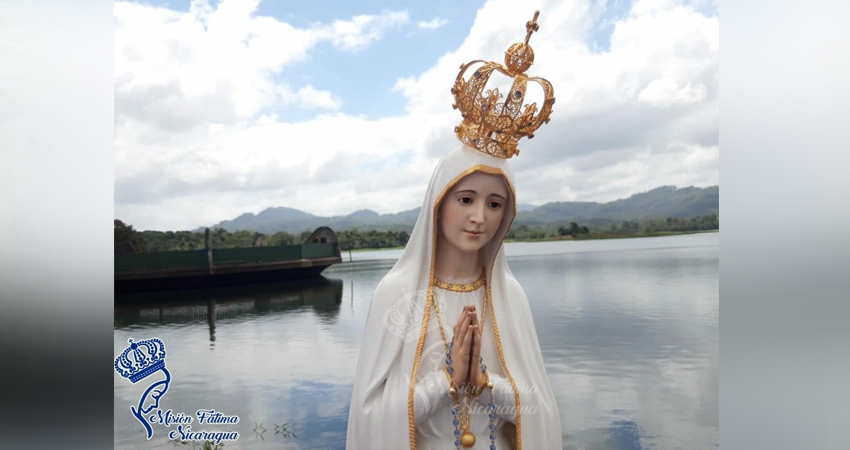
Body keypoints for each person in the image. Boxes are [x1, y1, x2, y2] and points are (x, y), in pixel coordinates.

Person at [346, 11, 561, 449]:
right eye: (466, 199)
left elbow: (538, 411)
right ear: (438, 202)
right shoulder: (399, 293)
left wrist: (482, 382)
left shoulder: (508, 296)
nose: (479, 216)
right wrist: (446, 380)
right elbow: (370, 415)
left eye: (494, 203)